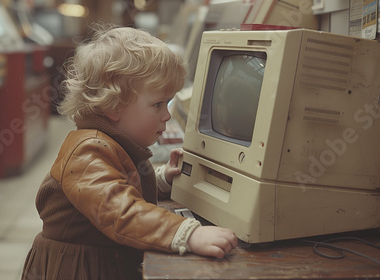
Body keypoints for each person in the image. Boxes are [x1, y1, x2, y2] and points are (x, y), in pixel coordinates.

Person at [21, 24, 238, 280]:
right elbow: (119, 211)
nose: (167, 115)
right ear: (113, 105)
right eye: (158, 104)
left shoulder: (111, 141)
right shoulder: (86, 151)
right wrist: (187, 233)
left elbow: (119, 183)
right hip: (76, 269)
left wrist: (160, 179)